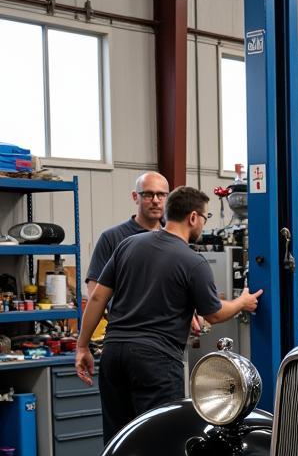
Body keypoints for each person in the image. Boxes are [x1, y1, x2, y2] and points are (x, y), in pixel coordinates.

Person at [74, 186, 263, 442]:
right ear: (193, 217)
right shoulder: (193, 261)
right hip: (155, 362)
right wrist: (242, 302)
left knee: (118, 441)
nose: (204, 226)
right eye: (205, 218)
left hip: (113, 355)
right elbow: (215, 314)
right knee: (159, 440)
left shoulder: (128, 245)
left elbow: (97, 297)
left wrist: (82, 346)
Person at [83, 171, 169, 308]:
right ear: (135, 197)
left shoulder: (174, 239)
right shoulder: (112, 238)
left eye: (161, 195)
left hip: (166, 325)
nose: (155, 200)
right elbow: (94, 289)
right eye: (148, 194)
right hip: (125, 325)